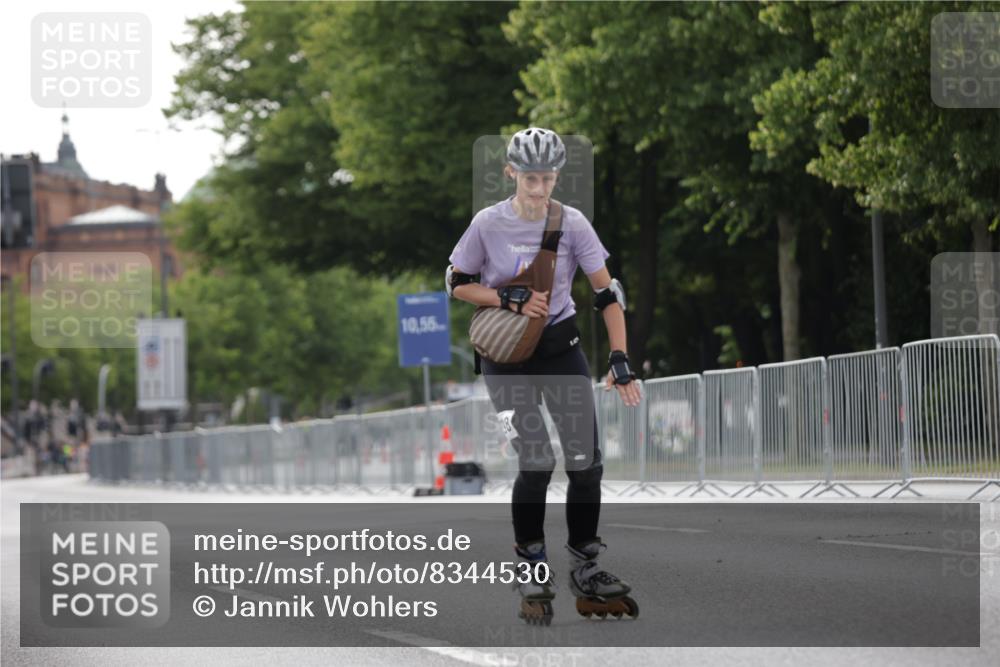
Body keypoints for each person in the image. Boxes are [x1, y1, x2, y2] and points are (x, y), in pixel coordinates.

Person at [447, 127, 640, 624]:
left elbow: (605, 293)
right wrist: (503, 296)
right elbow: (457, 283)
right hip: (504, 359)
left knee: (586, 463)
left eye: (548, 177)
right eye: (530, 177)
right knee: (535, 462)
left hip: (559, 349)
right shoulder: (487, 223)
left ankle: (585, 565)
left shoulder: (572, 224)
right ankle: (532, 563)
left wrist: (620, 359)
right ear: (511, 172)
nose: (539, 187)